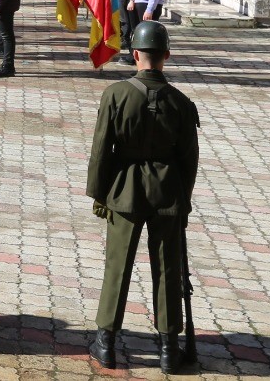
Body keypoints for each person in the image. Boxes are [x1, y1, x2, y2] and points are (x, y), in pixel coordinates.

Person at [86, 20, 200, 374]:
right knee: (168, 268)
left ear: (135, 54)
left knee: (117, 265)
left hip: (124, 189)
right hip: (168, 191)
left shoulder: (116, 95)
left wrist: (99, 194)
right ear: (167, 55)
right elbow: (189, 160)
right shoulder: (181, 103)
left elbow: (101, 150)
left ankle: (106, 343)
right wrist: (183, 200)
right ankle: (169, 348)